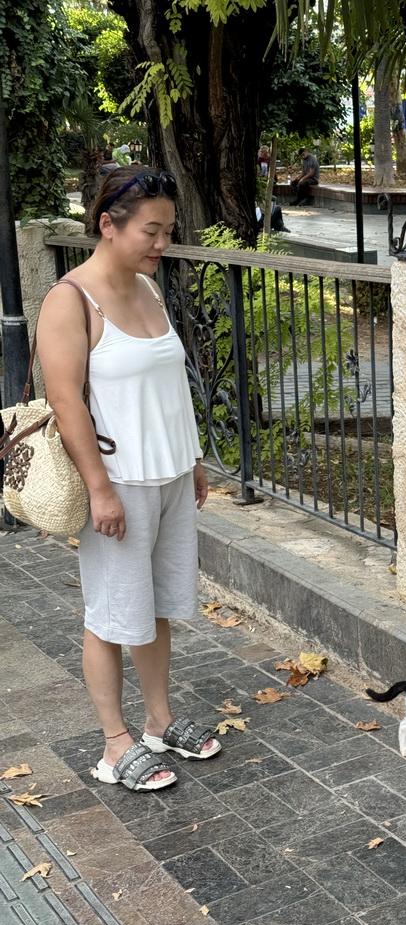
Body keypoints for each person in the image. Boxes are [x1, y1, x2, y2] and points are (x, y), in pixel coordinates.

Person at [34, 166, 220, 792]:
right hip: (117, 482)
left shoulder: (149, 288)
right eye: (152, 231)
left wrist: (190, 458)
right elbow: (66, 403)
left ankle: (159, 722)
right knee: (111, 613)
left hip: (167, 473)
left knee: (158, 607)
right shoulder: (70, 300)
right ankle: (114, 746)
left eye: (167, 231)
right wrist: (99, 489)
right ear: (107, 225)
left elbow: (171, 386)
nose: (161, 243)